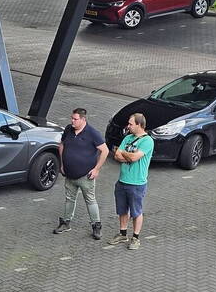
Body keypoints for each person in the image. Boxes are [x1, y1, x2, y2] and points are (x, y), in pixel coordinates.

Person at [53, 107, 108, 240]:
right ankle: (66, 223)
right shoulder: (68, 129)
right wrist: (62, 164)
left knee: (90, 200)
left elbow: (104, 151)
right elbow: (62, 145)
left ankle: (96, 225)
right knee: (69, 199)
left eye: (75, 119)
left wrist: (96, 169)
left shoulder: (92, 133)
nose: (72, 121)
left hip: (86, 176)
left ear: (83, 119)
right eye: (72, 118)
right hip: (69, 174)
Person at [110, 113, 154, 250]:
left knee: (136, 211)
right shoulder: (128, 137)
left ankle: (135, 238)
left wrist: (124, 154)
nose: (128, 126)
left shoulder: (147, 141)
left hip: (137, 183)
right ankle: (123, 234)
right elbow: (117, 155)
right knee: (122, 209)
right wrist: (125, 155)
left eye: (130, 124)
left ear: (139, 125)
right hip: (122, 181)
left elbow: (134, 158)